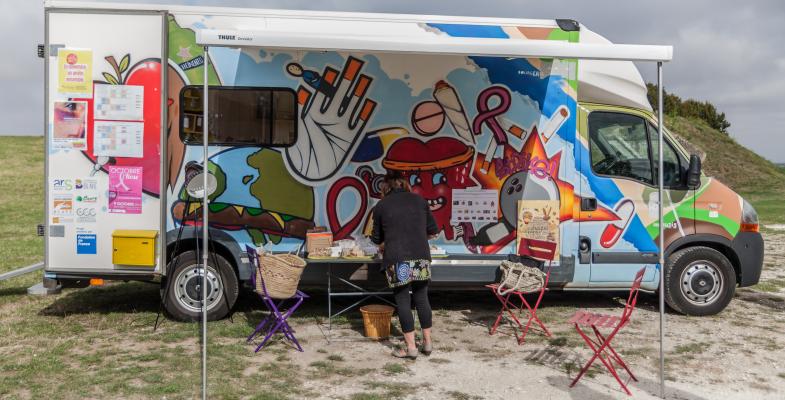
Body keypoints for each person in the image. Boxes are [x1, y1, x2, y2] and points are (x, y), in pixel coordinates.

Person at [371, 170, 439, 359]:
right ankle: (427, 343)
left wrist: (387, 241)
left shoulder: (382, 206)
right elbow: (433, 231)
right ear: (405, 184)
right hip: (421, 256)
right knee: (422, 297)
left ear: (386, 186)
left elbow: (376, 239)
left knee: (403, 301)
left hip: (397, 258)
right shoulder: (420, 201)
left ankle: (411, 348)